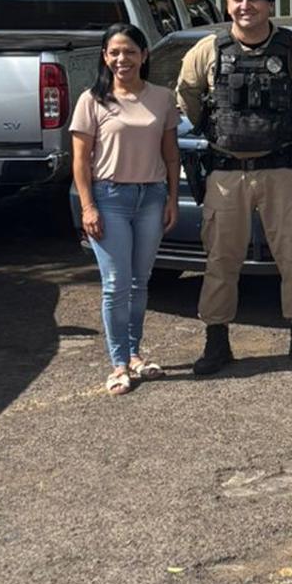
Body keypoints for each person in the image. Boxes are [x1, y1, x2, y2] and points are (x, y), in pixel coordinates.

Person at [175, 0, 292, 374]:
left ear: (269, 6)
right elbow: (188, 95)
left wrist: (289, 132)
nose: (246, 7)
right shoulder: (208, 50)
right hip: (226, 171)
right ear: (228, 4)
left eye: (254, 0)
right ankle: (217, 341)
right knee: (220, 260)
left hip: (281, 168)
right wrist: (212, 129)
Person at [70, 24, 180, 395]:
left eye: (130, 51)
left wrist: (171, 197)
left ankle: (134, 355)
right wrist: (88, 207)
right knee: (115, 285)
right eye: (114, 52)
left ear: (144, 55)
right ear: (105, 57)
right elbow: (80, 161)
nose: (122, 59)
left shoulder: (162, 98)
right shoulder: (92, 100)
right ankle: (118, 363)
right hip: (109, 198)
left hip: (150, 196)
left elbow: (171, 154)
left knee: (139, 281)